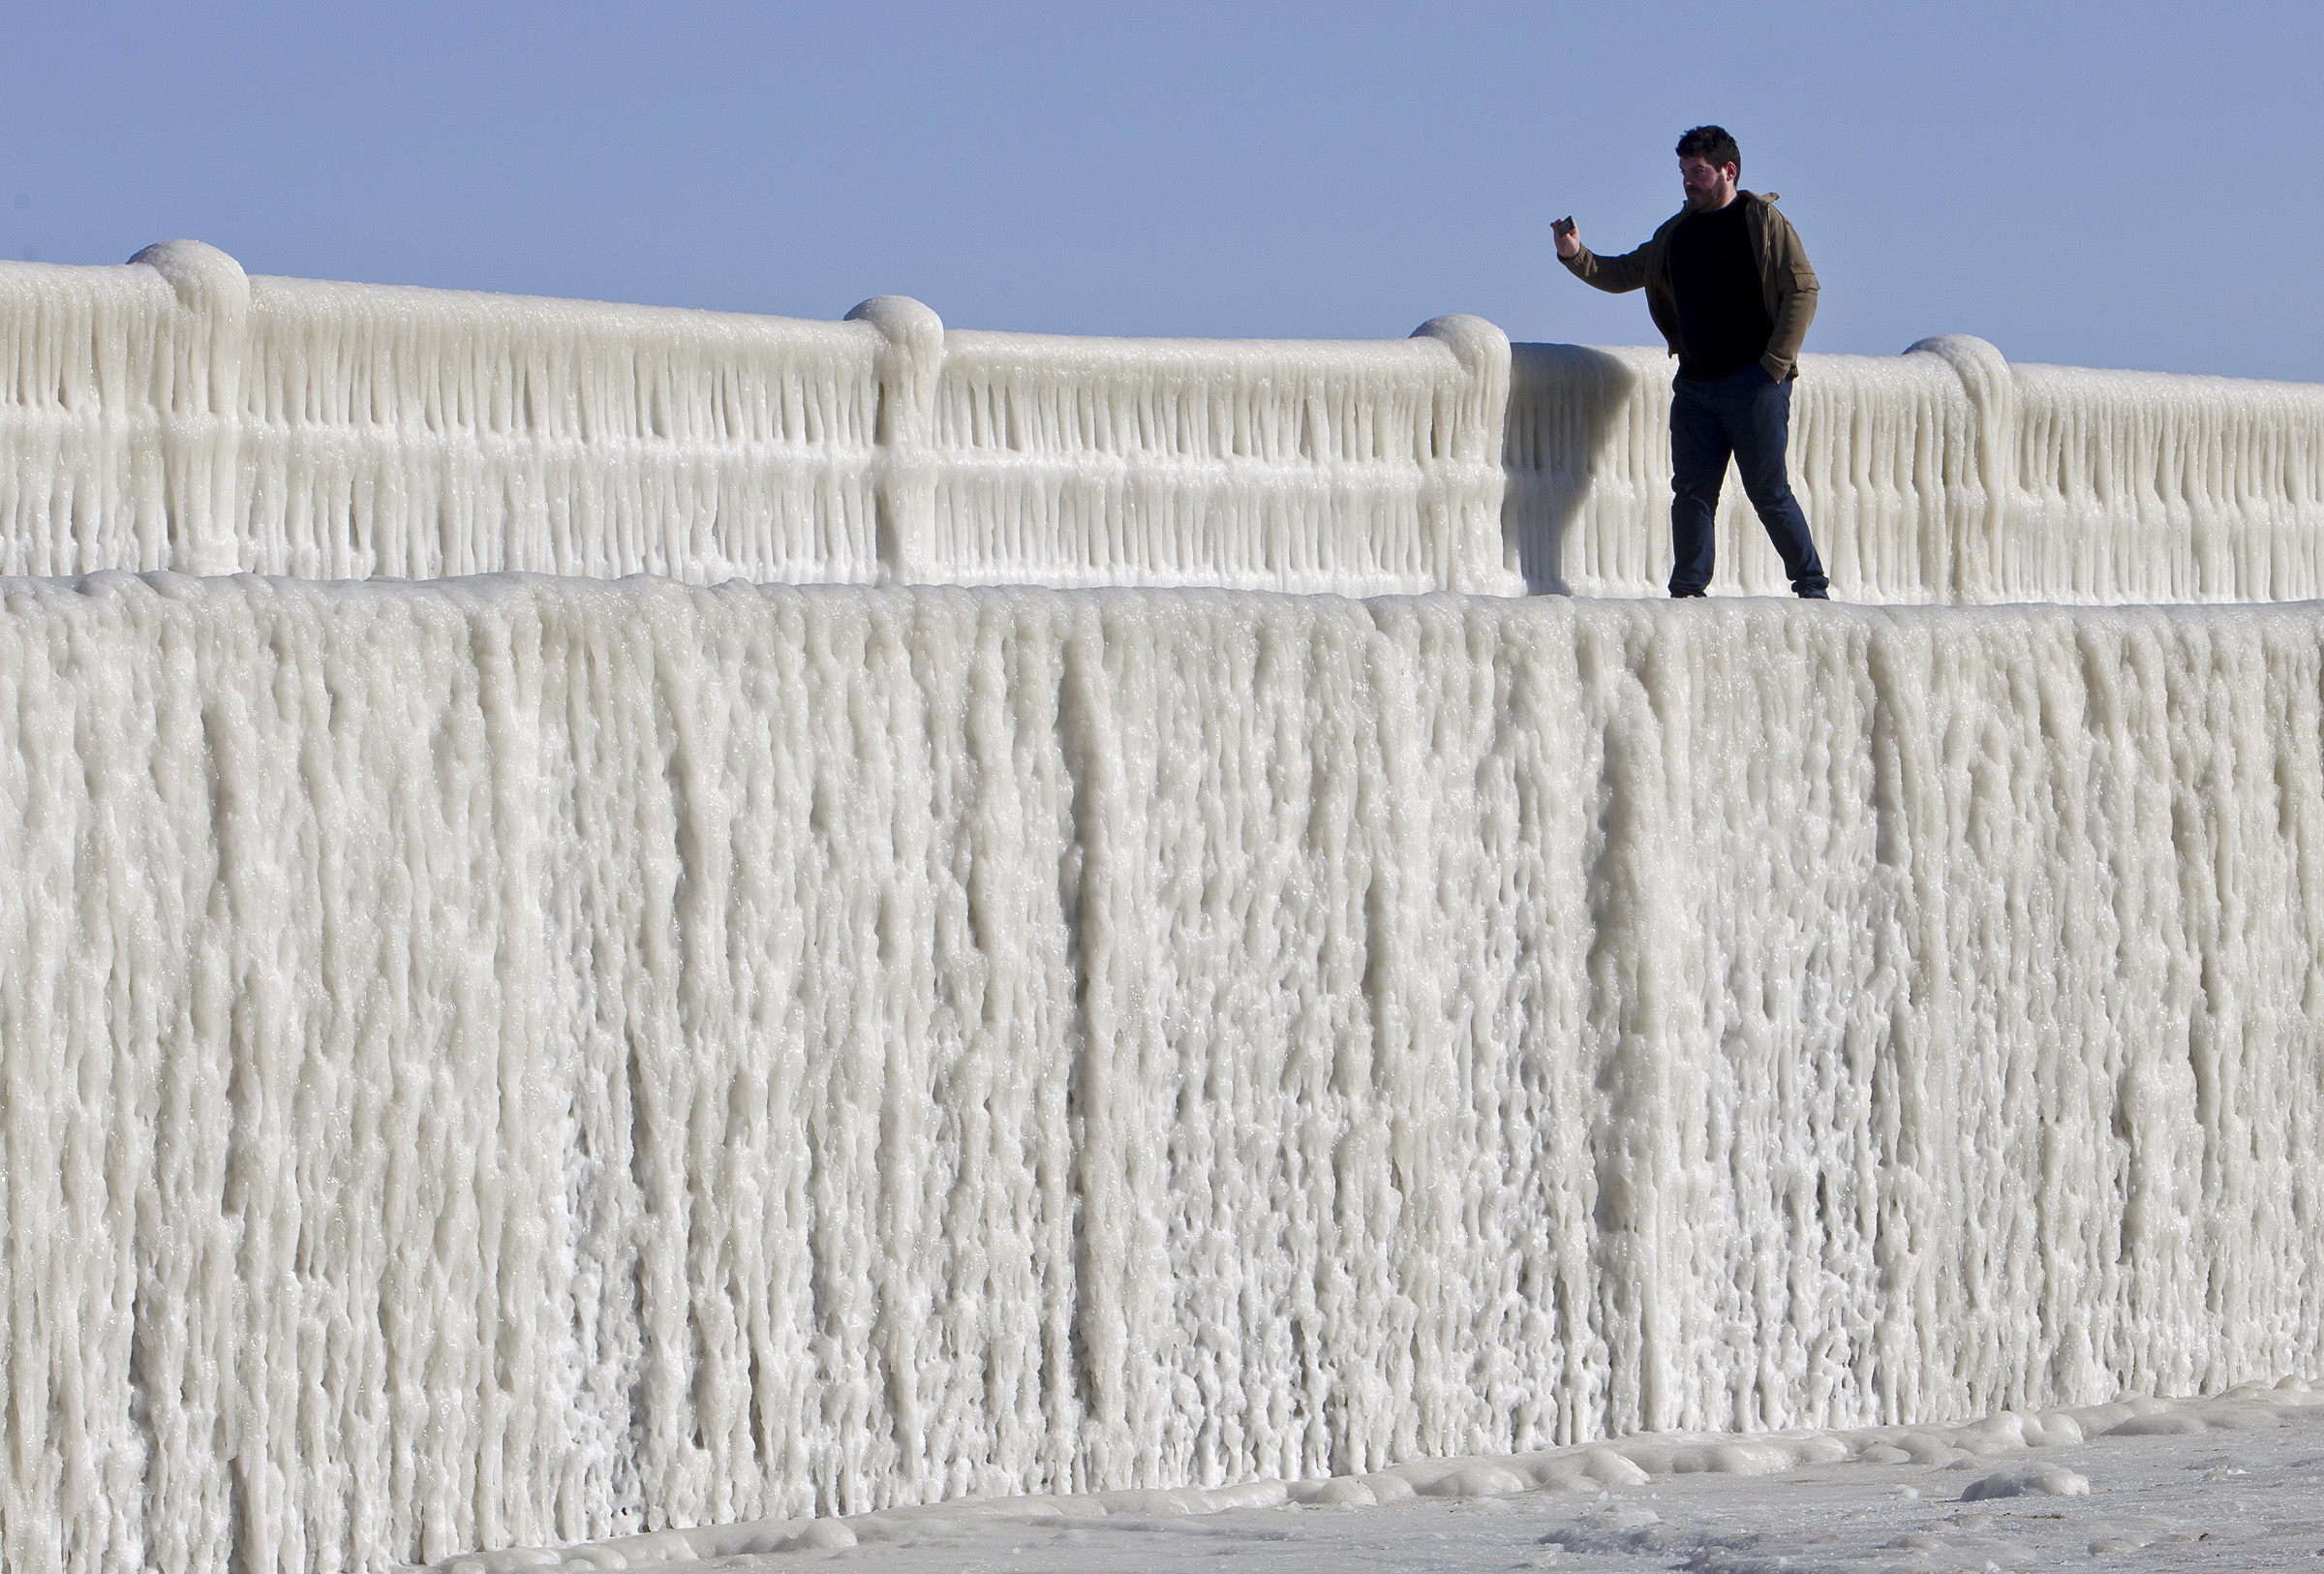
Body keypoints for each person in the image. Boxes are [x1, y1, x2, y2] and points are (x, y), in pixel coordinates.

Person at [1553, 126, 1830, 599]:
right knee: (1692, 494)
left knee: (1767, 491)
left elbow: (1803, 290)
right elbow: (1624, 273)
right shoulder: (1675, 235)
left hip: (1755, 382)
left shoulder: (1762, 220)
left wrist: (1774, 365)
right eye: (1683, 173)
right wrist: (1576, 255)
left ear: (1729, 171)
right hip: (1697, 386)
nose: (1688, 182)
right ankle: (1687, 593)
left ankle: (1812, 587)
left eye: (1698, 172)